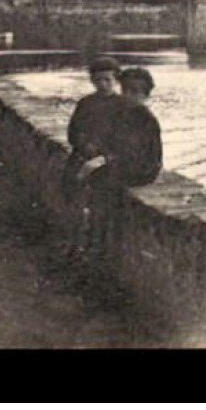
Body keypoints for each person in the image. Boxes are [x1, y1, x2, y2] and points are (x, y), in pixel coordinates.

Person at [80, 68, 164, 258]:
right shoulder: (122, 114)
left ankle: (101, 243)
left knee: (105, 184)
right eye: (126, 91)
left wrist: (104, 160)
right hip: (123, 163)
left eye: (135, 92)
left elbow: (136, 153)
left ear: (145, 95)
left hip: (143, 168)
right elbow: (110, 141)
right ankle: (96, 237)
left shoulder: (146, 119)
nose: (129, 96)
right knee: (96, 179)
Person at [62, 56, 125, 259]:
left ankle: (96, 248)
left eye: (107, 80)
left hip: (106, 163)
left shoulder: (123, 106)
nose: (103, 84)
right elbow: (73, 132)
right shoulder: (86, 103)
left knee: (101, 207)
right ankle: (75, 245)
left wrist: (103, 154)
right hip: (82, 158)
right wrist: (84, 145)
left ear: (116, 80)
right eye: (98, 80)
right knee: (75, 203)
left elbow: (124, 139)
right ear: (92, 81)